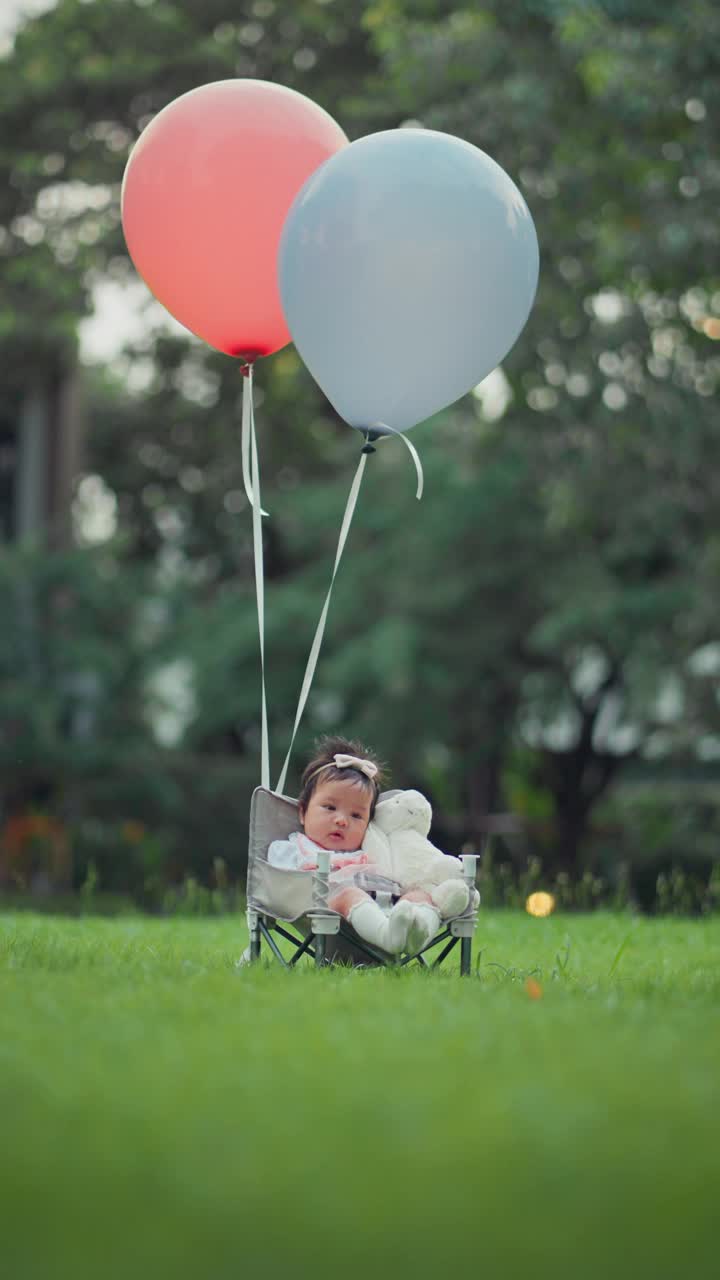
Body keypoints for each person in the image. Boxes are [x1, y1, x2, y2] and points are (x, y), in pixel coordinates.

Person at [267, 736, 443, 956]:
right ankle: (388, 937)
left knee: (421, 896)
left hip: (392, 907)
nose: (342, 820)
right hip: (335, 913)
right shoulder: (295, 848)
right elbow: (279, 883)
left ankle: (419, 934)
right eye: (330, 807)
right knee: (349, 894)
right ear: (303, 812)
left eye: (356, 815)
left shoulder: (370, 851)